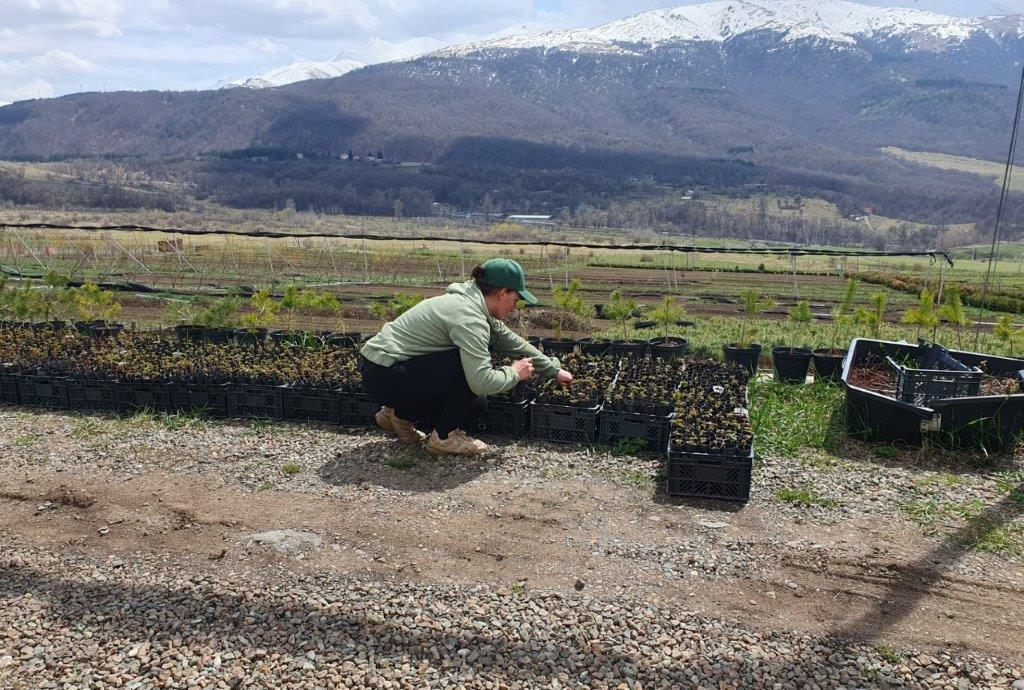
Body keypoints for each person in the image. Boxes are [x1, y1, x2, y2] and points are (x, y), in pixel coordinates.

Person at [359, 257, 573, 455]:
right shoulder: (469, 317)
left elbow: (511, 341)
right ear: (503, 293)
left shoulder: (471, 303)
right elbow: (481, 382)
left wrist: (553, 370)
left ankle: (397, 415)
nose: (515, 307)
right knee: (469, 374)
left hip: (381, 370)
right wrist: (514, 373)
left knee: (473, 398)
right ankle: (443, 438)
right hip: (385, 375)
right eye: (516, 300)